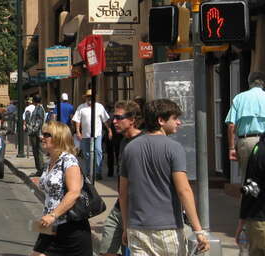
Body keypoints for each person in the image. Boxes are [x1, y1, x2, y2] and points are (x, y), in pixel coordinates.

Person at [119, 98, 209, 255]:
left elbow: (123, 193)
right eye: (175, 118)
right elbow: (184, 191)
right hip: (168, 228)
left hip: (137, 227)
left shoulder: (130, 148)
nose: (179, 123)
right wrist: (198, 231)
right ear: (161, 120)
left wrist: (126, 226)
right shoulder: (174, 148)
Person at [30, 121, 93, 256]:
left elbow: (74, 192)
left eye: (47, 135)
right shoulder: (52, 161)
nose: (42, 137)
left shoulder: (69, 160)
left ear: (59, 138)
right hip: (50, 225)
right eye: (43, 134)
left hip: (70, 226)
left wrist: (53, 215)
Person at [98, 100, 143, 256]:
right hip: (120, 205)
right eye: (113, 118)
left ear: (132, 120)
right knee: (106, 249)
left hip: (136, 208)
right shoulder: (123, 140)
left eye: (119, 117)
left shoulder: (142, 142)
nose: (114, 121)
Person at [226, 71, 265, 183]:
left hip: (246, 141)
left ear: (249, 83)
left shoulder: (239, 98)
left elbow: (231, 125)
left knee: (247, 179)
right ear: (263, 84)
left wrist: (232, 148)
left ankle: (248, 199)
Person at [236, 130, 265, 255]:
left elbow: (251, 188)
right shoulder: (260, 150)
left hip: (259, 220)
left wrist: (242, 221)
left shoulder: (260, 149)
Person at [73, 90, 110, 179]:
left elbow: (105, 120)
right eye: (88, 96)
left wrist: (109, 130)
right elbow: (77, 120)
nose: (90, 98)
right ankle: (89, 171)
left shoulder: (99, 107)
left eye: (91, 96)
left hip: (97, 134)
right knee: (86, 154)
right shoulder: (81, 107)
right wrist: (78, 131)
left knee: (98, 151)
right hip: (85, 135)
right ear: (86, 98)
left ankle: (97, 172)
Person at [25, 95, 46, 176]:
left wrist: (32, 131)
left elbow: (38, 122)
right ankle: (39, 169)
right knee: (36, 152)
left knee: (38, 152)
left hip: (37, 134)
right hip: (36, 133)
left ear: (34, 101)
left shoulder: (39, 109)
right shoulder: (38, 108)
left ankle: (40, 170)